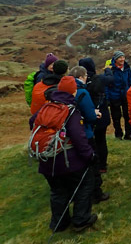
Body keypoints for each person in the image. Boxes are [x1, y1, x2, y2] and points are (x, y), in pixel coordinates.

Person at [29, 75, 98, 233]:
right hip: (68, 161)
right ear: (73, 91)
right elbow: (79, 140)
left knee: (57, 191)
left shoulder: (46, 108)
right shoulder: (70, 111)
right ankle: (81, 219)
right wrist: (90, 156)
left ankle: (59, 223)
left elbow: (32, 122)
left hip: (47, 160)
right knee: (84, 185)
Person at [69, 65, 110, 204]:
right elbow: (90, 115)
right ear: (81, 77)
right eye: (85, 76)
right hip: (84, 132)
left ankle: (79, 191)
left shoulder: (65, 89)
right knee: (92, 162)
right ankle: (96, 194)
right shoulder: (82, 92)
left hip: (70, 134)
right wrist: (95, 114)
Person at [79, 57, 113, 173]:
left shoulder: (79, 82)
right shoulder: (99, 79)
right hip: (101, 115)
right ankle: (102, 166)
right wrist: (108, 69)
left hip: (85, 117)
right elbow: (110, 79)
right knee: (101, 140)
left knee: (89, 141)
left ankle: (92, 164)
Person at [105, 51, 131, 141]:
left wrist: (130, 91)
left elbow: (130, 80)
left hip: (125, 95)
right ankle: (118, 134)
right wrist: (107, 98)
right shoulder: (110, 69)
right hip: (114, 96)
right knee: (116, 116)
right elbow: (106, 84)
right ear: (115, 59)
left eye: (123, 57)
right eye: (120, 58)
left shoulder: (127, 67)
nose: (122, 59)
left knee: (128, 115)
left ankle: (128, 134)